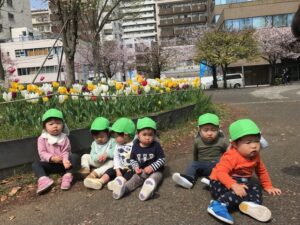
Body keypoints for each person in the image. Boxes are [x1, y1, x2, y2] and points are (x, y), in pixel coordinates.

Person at [207, 119, 281, 224]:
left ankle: (251, 205)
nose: (254, 145)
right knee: (237, 193)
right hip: (220, 182)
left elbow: (261, 171)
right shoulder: (231, 156)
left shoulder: (255, 156)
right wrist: (234, 185)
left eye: (256, 141)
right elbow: (220, 173)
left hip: (240, 182)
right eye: (248, 142)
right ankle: (218, 205)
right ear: (235, 144)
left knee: (255, 188)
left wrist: (268, 186)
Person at [110, 117, 166, 201]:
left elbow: (162, 159)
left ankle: (148, 190)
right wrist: (136, 168)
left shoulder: (156, 145)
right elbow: (133, 159)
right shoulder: (135, 146)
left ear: (154, 135)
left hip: (156, 171)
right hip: (141, 171)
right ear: (138, 135)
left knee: (153, 179)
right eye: (144, 134)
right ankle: (123, 189)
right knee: (134, 179)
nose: (148, 137)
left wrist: (152, 167)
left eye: (150, 135)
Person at [172, 113, 228, 189]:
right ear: (200, 130)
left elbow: (228, 154)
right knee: (192, 164)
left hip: (216, 165)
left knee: (222, 163)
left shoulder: (222, 141)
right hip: (202, 164)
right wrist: (196, 163)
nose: (209, 133)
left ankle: (213, 179)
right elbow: (195, 154)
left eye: (213, 130)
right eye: (205, 130)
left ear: (218, 130)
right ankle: (189, 179)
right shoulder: (197, 141)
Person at [32, 108, 79, 194]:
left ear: (63, 125)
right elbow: (42, 153)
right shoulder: (42, 138)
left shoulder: (64, 138)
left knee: (75, 157)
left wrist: (65, 160)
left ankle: (68, 176)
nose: (55, 126)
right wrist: (52, 158)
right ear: (45, 127)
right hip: (50, 164)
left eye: (58, 123)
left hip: (63, 165)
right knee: (36, 164)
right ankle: (43, 179)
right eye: (51, 124)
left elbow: (66, 151)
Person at [91, 117, 136, 191]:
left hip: (130, 168)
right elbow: (116, 158)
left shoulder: (134, 145)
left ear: (125, 135)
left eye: (116, 136)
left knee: (129, 174)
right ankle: (101, 181)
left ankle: (119, 183)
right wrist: (117, 170)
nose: (114, 139)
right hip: (120, 167)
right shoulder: (118, 146)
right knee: (110, 171)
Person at [81, 117, 116, 189]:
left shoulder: (112, 141)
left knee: (112, 163)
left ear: (108, 133)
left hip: (106, 162)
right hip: (96, 161)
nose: (99, 139)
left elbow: (115, 152)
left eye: (102, 136)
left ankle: (95, 173)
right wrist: (97, 158)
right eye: (96, 137)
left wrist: (107, 154)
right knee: (85, 156)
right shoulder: (94, 144)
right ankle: (85, 169)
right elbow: (92, 154)